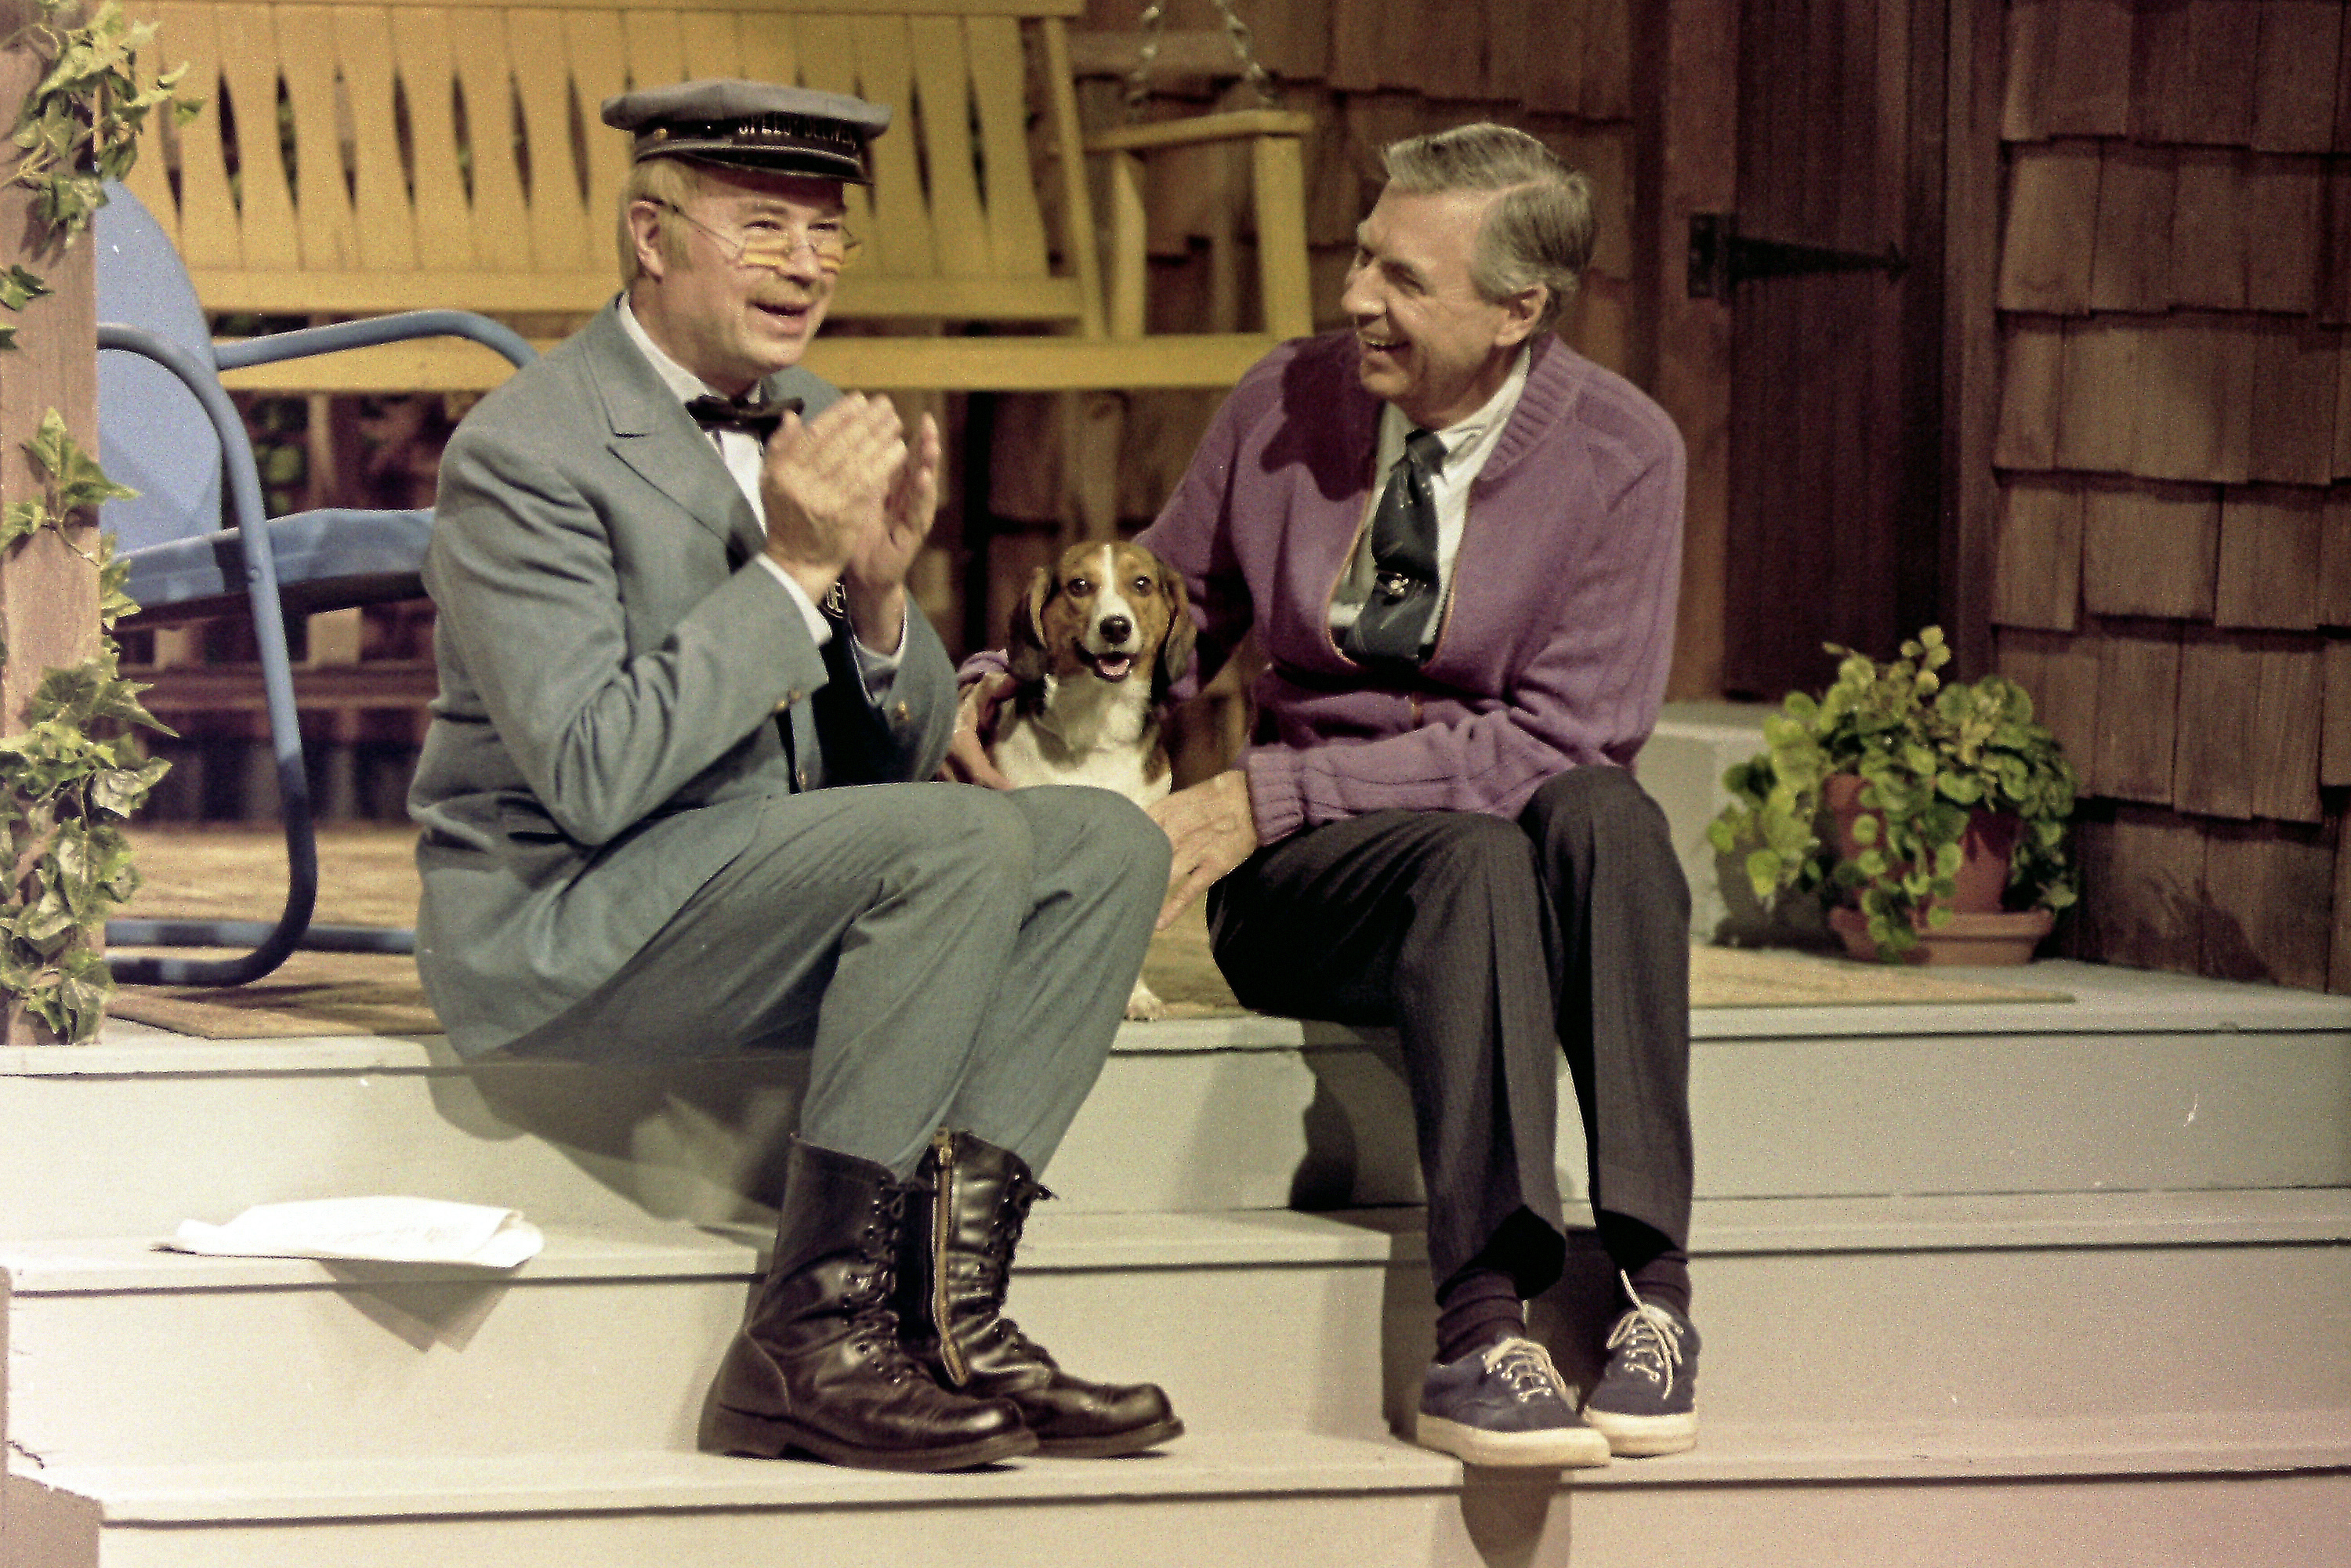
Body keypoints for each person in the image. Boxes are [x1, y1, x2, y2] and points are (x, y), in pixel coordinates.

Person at [408, 79, 1179, 1474]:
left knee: (1105, 849)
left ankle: (949, 1313)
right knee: (959, 844)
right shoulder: (526, 451)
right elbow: (590, 772)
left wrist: (879, 605)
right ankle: (805, 1341)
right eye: (764, 228)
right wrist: (796, 572)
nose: (809, 265)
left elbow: (894, 748)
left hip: (754, 882)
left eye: (829, 235)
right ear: (653, 238)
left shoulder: (814, 417)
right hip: (568, 924)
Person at [954, 122, 1697, 1467]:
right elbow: (1173, 605)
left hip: (1419, 825)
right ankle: (1480, 1330)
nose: (1357, 297)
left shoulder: (1624, 454)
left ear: (1518, 308)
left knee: (1611, 816)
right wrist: (996, 681)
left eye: (1404, 279)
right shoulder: (1286, 400)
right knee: (1472, 860)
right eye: (1363, 258)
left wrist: (1267, 791)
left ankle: (1655, 1289)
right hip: (1325, 885)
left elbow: (1567, 734)